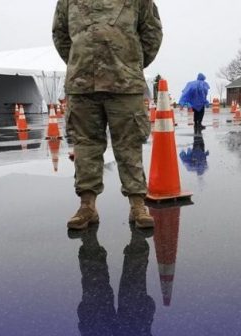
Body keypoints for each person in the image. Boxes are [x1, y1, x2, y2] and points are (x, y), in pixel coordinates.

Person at [53, 0, 163, 230]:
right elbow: (61, 35)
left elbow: (152, 34)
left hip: (125, 84)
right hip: (82, 84)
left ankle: (137, 205)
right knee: (85, 146)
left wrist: (130, 64)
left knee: (129, 144)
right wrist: (80, 63)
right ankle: (87, 207)